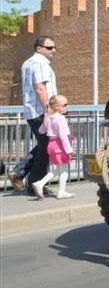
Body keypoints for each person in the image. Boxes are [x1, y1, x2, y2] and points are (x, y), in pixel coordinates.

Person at [9, 36, 58, 195]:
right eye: (50, 48)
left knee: (44, 146)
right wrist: (48, 111)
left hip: (32, 112)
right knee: (46, 149)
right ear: (39, 48)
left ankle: (20, 172)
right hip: (41, 112)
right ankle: (34, 186)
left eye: (54, 47)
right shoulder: (40, 63)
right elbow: (40, 89)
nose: (53, 51)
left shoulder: (28, 62)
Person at [32, 94, 74, 200]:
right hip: (60, 146)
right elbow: (63, 136)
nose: (67, 106)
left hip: (51, 145)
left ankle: (40, 183)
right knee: (64, 170)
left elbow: (41, 131)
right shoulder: (60, 118)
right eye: (65, 105)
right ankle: (61, 191)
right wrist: (69, 149)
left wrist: (46, 119)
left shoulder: (49, 118)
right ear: (57, 107)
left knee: (58, 169)